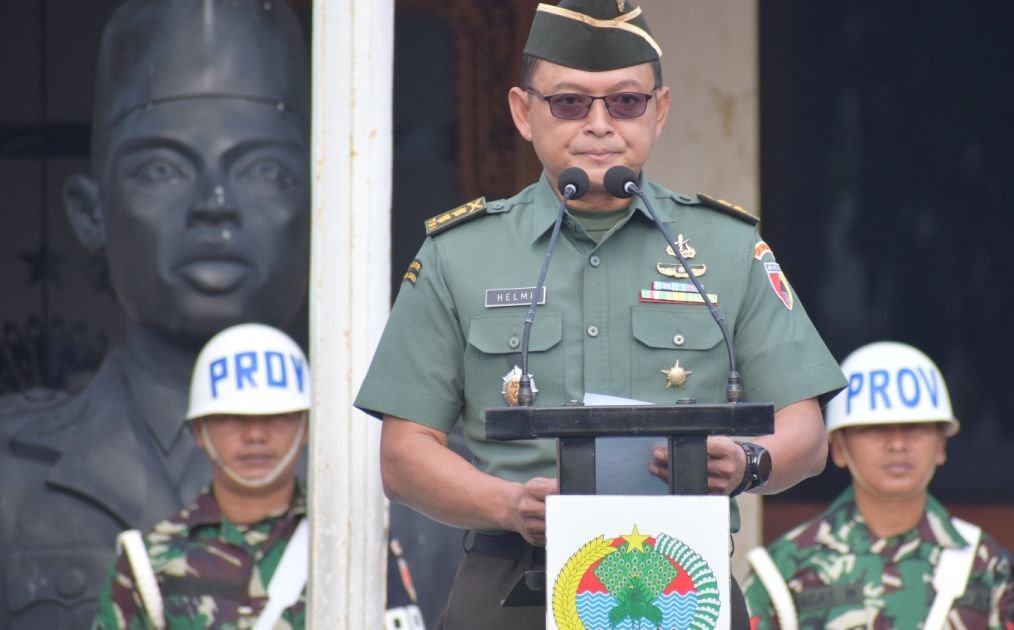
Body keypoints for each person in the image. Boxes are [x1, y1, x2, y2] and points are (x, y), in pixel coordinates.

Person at [353, 1, 847, 627]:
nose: (599, 124)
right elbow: (403, 455)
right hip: (512, 585)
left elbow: (805, 431)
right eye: (568, 102)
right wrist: (509, 504)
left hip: (681, 585)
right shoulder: (459, 255)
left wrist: (749, 461)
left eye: (625, 102)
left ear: (660, 110)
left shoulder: (726, 249)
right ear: (521, 111)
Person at [0, 2, 310, 627]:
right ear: (90, 213)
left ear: (323, 204)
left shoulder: (399, 475)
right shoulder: (10, 475)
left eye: (264, 170)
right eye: (161, 169)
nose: (215, 205)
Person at [93, 323, 426, 630]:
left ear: (306, 427)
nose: (255, 435)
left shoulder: (356, 543)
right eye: (232, 418)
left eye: (276, 417)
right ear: (199, 430)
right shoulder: (145, 560)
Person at [743, 341, 1014, 630]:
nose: (898, 445)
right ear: (839, 448)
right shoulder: (781, 570)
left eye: (916, 427)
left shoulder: (986, 565)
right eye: (875, 429)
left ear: (941, 444)